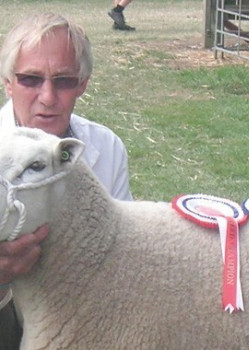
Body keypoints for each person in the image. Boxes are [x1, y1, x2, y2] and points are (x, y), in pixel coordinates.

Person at [0, 12, 133, 349]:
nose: (47, 97)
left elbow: (120, 252)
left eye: (63, 81)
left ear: (83, 84)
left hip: (81, 312)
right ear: (7, 82)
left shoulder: (106, 148)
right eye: (30, 79)